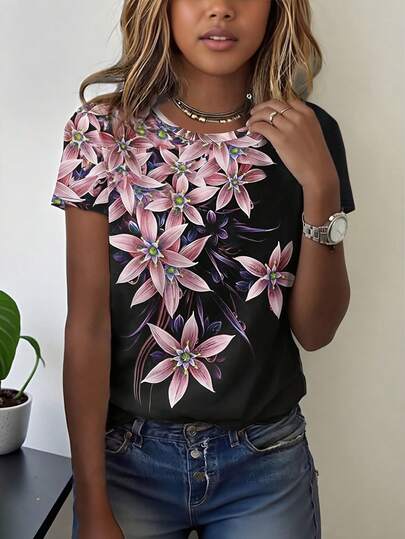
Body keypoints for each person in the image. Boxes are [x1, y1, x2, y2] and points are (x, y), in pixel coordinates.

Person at [50, 1, 356, 538]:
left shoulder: (309, 132)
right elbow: (88, 326)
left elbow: (316, 331)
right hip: (128, 459)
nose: (221, 9)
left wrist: (322, 188)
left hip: (265, 462)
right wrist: (91, 499)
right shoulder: (101, 131)